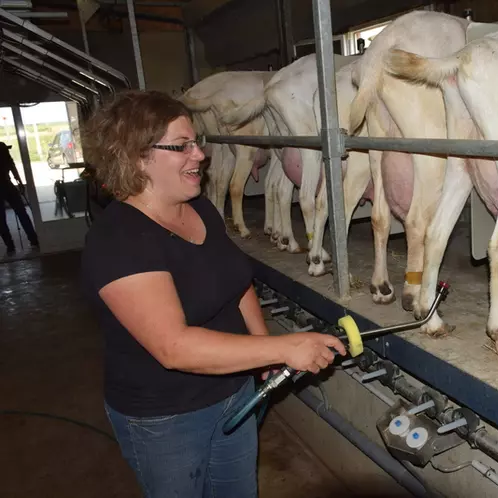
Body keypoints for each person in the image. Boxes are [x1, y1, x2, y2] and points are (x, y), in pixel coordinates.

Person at [79, 90, 346, 498]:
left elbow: (236, 283)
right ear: (136, 157)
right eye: (181, 146)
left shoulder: (199, 208)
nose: (200, 155)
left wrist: (261, 348)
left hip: (233, 393)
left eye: (196, 142)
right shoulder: (119, 239)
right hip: (166, 418)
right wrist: (283, 349)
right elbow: (175, 347)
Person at [0, 141, 39, 256]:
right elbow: (13, 169)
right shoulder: (4, 153)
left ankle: (10, 246)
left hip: (6, 186)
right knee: (22, 213)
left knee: (1, 220)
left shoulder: (4, 152)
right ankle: (33, 239)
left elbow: (12, 168)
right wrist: (20, 183)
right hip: (8, 186)